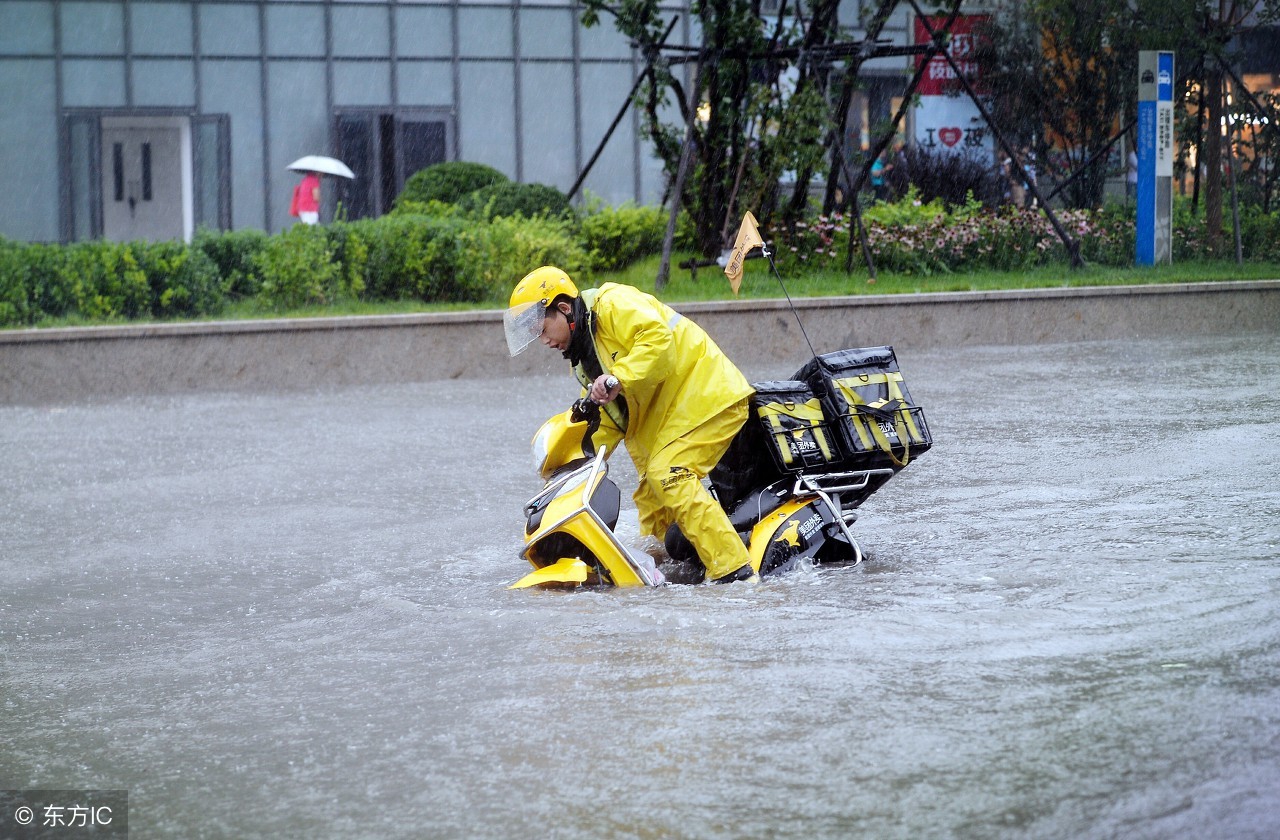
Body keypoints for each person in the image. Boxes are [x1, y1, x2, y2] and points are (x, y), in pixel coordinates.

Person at [504, 265, 757, 584]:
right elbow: (613, 418)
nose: (543, 340)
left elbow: (658, 344)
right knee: (651, 497)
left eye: (543, 329)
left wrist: (617, 377)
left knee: (669, 474)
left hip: (709, 395)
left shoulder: (613, 304)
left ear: (565, 309)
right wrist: (576, 462)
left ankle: (735, 573)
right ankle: (671, 569)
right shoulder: (584, 357)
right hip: (677, 411)